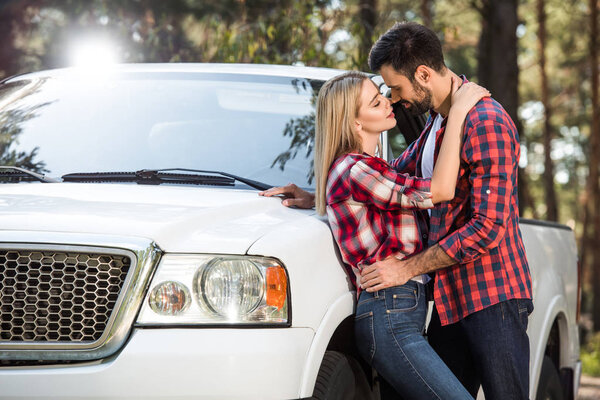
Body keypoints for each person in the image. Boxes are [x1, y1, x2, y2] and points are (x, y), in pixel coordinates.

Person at [260, 22, 533, 400]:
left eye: (396, 89)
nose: (395, 99)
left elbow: (487, 227)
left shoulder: (483, 120)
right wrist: (318, 196)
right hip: (447, 295)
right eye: (383, 95)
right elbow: (390, 181)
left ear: (423, 75)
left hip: (490, 295)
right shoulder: (436, 124)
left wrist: (406, 267)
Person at [311, 70, 487, 399]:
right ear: (356, 123)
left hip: (398, 310)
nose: (389, 102)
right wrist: (459, 111)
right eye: (376, 102)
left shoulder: (366, 168)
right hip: (390, 313)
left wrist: (310, 196)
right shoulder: (357, 169)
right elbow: (440, 190)